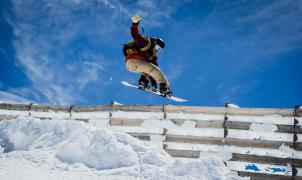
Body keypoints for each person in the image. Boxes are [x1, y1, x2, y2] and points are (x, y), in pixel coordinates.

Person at [122, 15, 172, 97]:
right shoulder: (146, 43)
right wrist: (135, 23)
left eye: (159, 49)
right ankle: (164, 88)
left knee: (149, 70)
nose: (157, 50)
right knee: (157, 71)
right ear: (155, 43)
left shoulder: (152, 56)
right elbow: (135, 34)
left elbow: (153, 70)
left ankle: (143, 82)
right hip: (134, 61)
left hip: (130, 66)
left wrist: (154, 85)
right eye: (157, 47)